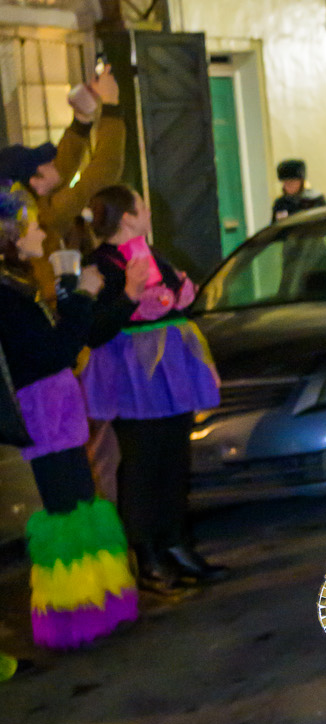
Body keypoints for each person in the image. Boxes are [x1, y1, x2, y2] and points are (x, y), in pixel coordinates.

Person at [0, 181, 144, 648]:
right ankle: (76, 616)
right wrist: (81, 297)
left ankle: (98, 606)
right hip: (43, 414)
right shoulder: (5, 294)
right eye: (32, 227)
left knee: (80, 506)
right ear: (10, 235)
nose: (42, 234)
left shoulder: (15, 285)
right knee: (67, 514)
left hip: (54, 411)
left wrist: (69, 296)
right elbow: (53, 353)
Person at [82, 185, 223, 592]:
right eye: (142, 206)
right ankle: (147, 555)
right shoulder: (100, 264)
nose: (148, 212)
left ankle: (175, 542)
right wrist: (130, 294)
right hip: (132, 379)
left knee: (173, 459)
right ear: (127, 217)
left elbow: (178, 296)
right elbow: (95, 328)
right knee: (142, 464)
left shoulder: (151, 252)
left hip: (170, 374)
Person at [0, 67, 126, 295]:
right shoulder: (44, 218)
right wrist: (110, 105)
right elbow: (103, 172)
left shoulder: (29, 212)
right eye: (41, 167)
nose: (52, 165)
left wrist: (82, 120)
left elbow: (61, 170)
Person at [271, 159, 326, 224]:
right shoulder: (280, 203)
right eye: (285, 182)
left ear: (301, 182)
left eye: (292, 182)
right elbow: (275, 226)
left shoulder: (315, 199)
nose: (289, 185)